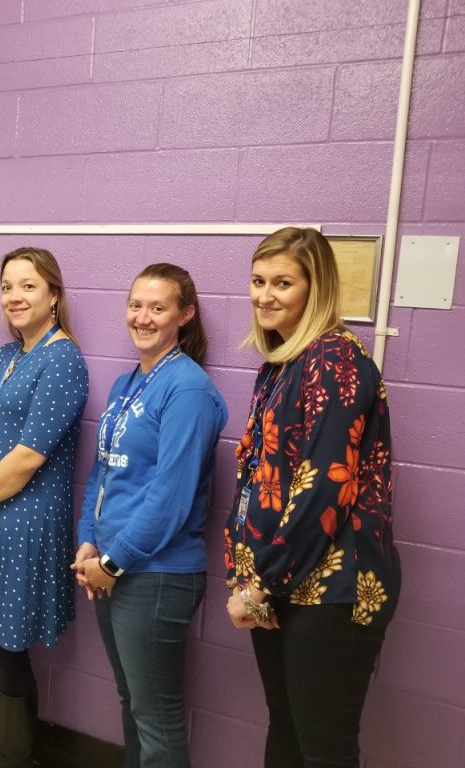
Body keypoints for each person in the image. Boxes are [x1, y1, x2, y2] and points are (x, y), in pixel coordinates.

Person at [224, 227, 400, 768]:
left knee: (324, 747)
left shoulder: (335, 360)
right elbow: (261, 478)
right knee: (289, 732)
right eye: (258, 281)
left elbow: (324, 486)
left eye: (283, 282)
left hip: (330, 589)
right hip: (281, 585)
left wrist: (260, 586)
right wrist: (251, 578)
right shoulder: (282, 363)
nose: (265, 295)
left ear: (316, 288)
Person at [73, 263, 228, 768]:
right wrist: (88, 541)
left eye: (157, 308)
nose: (143, 317)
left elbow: (171, 496)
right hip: (111, 565)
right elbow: (102, 471)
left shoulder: (188, 390)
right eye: (135, 305)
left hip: (156, 574)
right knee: (133, 703)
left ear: (183, 315)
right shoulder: (126, 384)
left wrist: (113, 563)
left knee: (157, 719)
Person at [0, 247, 89, 768]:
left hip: (22, 521)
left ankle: (11, 758)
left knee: (7, 642)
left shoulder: (64, 359)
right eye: (8, 286)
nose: (15, 296)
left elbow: (28, 456)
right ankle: (10, 748)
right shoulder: (8, 356)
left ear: (53, 294)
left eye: (28, 286)